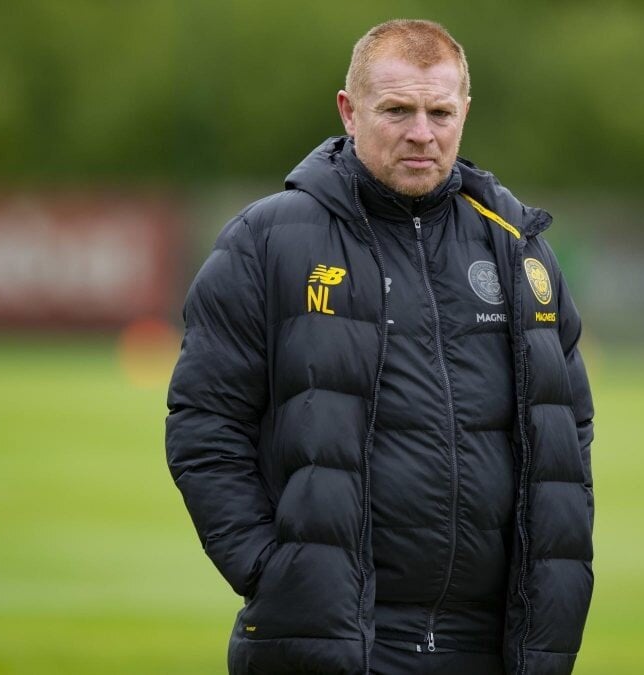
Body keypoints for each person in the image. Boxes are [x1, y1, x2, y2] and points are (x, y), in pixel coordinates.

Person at [166, 19, 595, 675]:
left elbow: (568, 426)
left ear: (464, 112)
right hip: (335, 639)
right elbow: (205, 421)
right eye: (397, 110)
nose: (422, 132)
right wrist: (273, 570)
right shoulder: (268, 241)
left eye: (439, 112)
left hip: (497, 645)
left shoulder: (517, 246)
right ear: (350, 110)